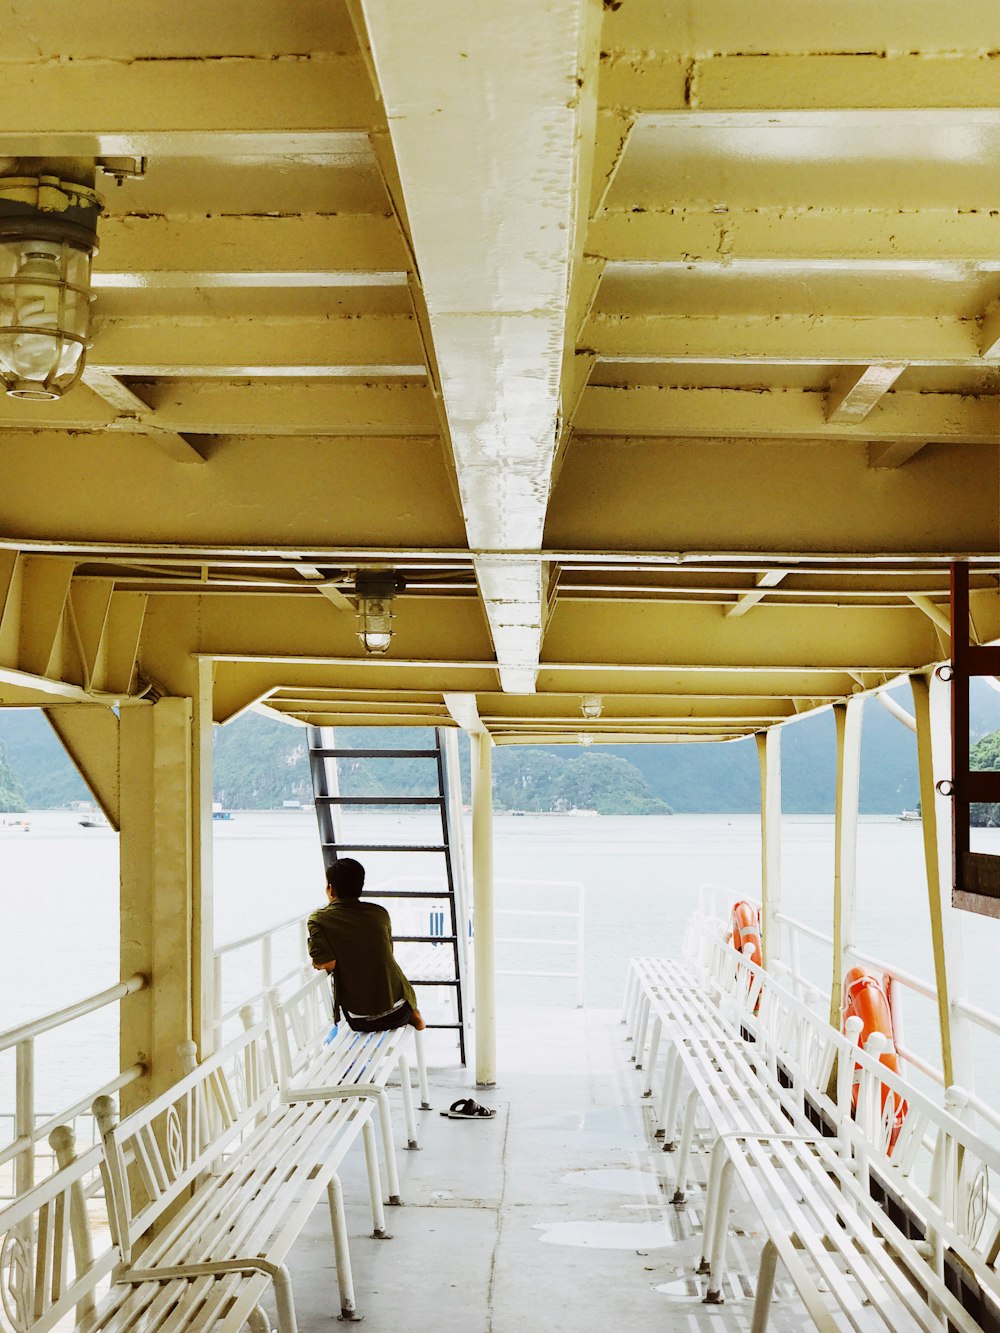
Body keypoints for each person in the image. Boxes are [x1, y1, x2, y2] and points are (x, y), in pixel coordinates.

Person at [307, 857, 425, 1032]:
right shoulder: (379, 913)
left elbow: (327, 963)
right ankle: (415, 1015)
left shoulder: (318, 919)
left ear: (330, 889)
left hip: (361, 1019)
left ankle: (411, 1014)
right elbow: (387, 951)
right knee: (392, 971)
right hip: (400, 1011)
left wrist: (317, 961)